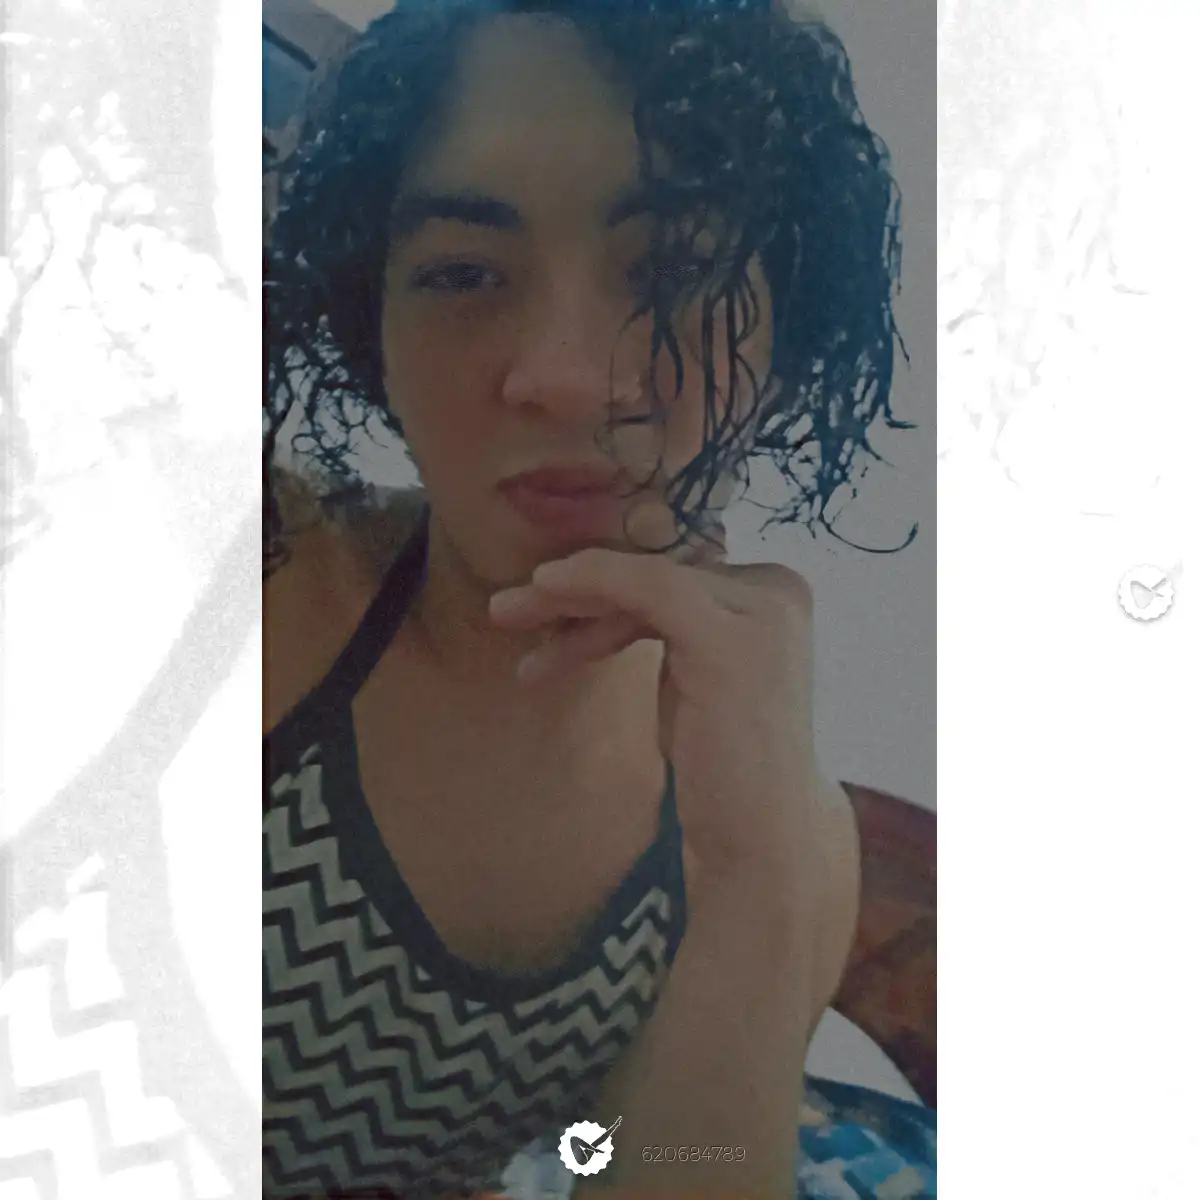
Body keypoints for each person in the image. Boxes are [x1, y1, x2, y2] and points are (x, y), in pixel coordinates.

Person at [263, 1, 930, 1197]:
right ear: (375, 327)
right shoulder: (240, 593)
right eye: (464, 273)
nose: (565, 378)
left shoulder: (787, 838)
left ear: (788, 337)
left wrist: (758, 885)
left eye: (674, 271)